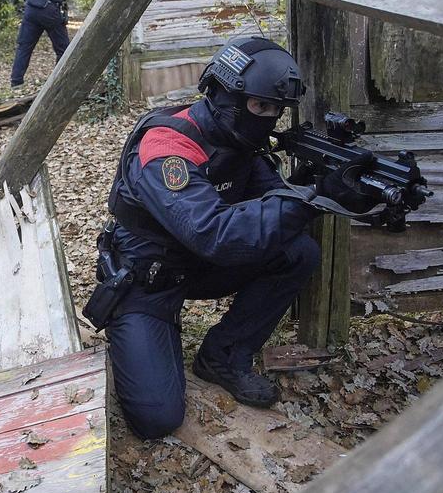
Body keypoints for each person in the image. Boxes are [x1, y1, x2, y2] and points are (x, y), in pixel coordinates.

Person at [86, 36, 379, 439]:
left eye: (275, 110)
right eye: (259, 106)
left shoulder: (240, 142)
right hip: (148, 278)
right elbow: (214, 233)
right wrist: (313, 198)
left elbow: (268, 204)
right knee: (157, 418)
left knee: (297, 252)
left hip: (201, 266)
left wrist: (321, 186)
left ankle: (223, 356)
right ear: (222, 94)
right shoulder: (166, 145)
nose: (267, 119)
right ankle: (149, 329)